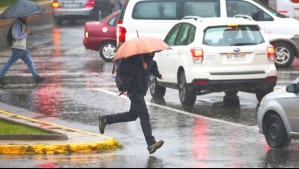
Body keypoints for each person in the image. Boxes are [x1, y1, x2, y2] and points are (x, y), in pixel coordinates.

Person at [98, 52, 164, 154]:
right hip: (135, 92)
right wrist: (140, 66)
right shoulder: (134, 60)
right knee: (144, 116)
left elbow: (154, 68)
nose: (153, 53)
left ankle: (105, 119)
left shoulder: (151, 61)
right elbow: (125, 71)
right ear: (145, 51)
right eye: (151, 52)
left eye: (154, 52)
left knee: (132, 116)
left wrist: (158, 74)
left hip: (141, 93)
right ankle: (151, 143)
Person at [0, 17, 46, 86]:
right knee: (9, 63)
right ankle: (0, 76)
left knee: (29, 62)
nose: (27, 18)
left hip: (22, 48)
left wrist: (27, 32)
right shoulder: (17, 24)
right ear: (22, 16)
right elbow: (16, 36)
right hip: (18, 48)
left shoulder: (21, 24)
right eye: (25, 16)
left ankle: (36, 78)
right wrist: (26, 34)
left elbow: (22, 34)